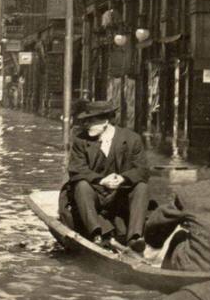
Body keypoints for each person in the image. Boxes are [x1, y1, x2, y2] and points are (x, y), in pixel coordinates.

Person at [145, 139, 210, 271]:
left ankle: (166, 275)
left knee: (179, 235)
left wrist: (155, 244)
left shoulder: (188, 192)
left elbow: (155, 225)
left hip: (195, 269)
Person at [60, 100, 150, 251]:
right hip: (93, 194)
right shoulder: (80, 140)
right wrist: (101, 180)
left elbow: (143, 170)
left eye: (90, 121)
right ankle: (96, 234)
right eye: (84, 121)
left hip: (120, 195)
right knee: (81, 185)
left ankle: (134, 238)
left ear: (105, 121)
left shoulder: (132, 139)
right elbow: (76, 170)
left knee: (141, 187)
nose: (86, 124)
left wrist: (123, 178)